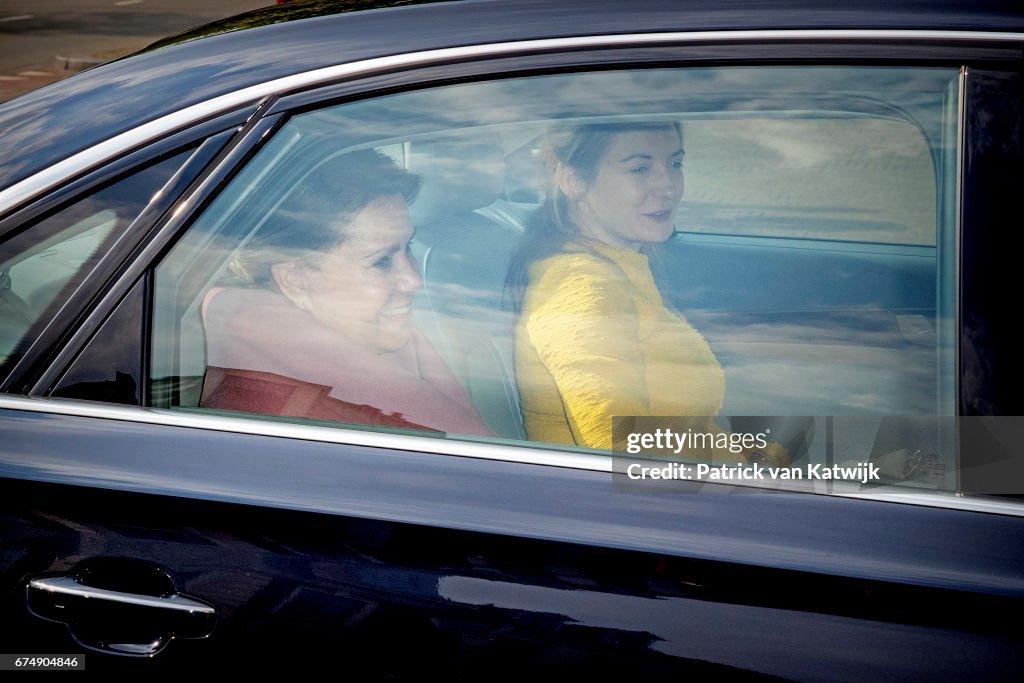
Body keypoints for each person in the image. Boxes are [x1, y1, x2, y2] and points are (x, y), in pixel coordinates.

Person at [508, 121, 786, 465]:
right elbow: (623, 458)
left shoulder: (618, 267)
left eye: (674, 163)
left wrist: (759, 462)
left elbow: (678, 432)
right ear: (574, 181)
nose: (667, 186)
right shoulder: (582, 291)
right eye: (640, 168)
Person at [199, 149, 492, 437]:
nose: (414, 280)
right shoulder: (301, 420)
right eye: (381, 261)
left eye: (409, 248)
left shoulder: (378, 344)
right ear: (296, 280)